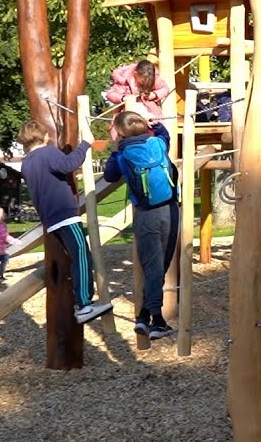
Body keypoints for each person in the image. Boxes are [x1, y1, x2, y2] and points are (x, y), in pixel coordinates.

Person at [17, 121, 112, 324]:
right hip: (65, 215)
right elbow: (69, 164)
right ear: (45, 137)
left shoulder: (27, 163)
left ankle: (82, 302)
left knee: (76, 257)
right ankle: (84, 304)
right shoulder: (48, 153)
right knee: (82, 256)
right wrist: (86, 143)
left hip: (50, 219)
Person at [103, 111, 179, 338]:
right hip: (169, 209)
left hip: (146, 214)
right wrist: (156, 125)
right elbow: (166, 137)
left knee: (153, 267)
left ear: (120, 132)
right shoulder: (156, 142)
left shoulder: (122, 154)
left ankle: (148, 318)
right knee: (160, 265)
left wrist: (115, 147)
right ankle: (153, 319)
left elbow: (109, 176)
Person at [104, 59, 170, 121]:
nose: (145, 83)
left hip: (150, 113)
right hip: (127, 115)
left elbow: (165, 89)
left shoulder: (154, 79)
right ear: (135, 74)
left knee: (158, 128)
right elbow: (110, 94)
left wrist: (154, 94)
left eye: (149, 81)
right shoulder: (124, 80)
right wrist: (123, 98)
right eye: (143, 80)